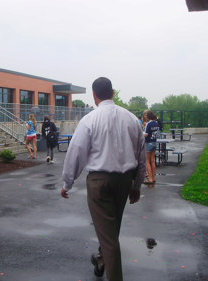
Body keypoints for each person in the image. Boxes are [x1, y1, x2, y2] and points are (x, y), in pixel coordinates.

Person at [61, 77, 146, 281]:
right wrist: (136, 185)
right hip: (125, 181)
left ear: (94, 95)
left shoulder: (90, 120)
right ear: (113, 92)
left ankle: (110, 268)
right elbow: (140, 155)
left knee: (109, 237)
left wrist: (67, 182)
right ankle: (101, 259)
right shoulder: (132, 119)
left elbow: (77, 153)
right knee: (111, 228)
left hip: (99, 183)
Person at [143, 111, 159, 185]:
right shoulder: (156, 123)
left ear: (148, 116)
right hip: (154, 142)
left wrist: (141, 133)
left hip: (148, 143)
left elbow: (146, 134)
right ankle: (153, 177)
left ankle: (150, 178)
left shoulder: (148, 124)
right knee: (152, 161)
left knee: (147, 161)